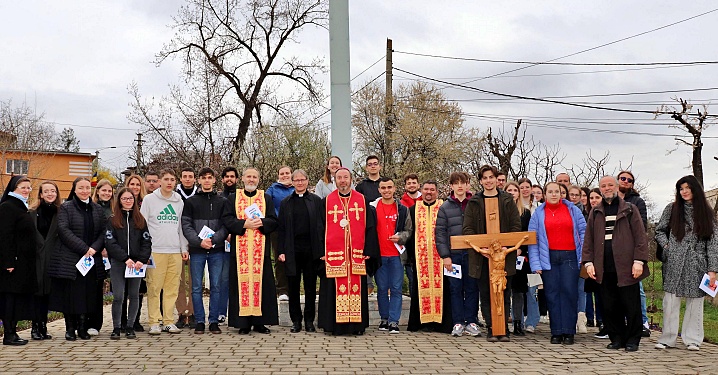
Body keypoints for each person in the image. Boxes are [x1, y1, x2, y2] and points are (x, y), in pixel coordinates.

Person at [583, 175, 649, 352]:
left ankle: (633, 339)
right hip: (604, 267)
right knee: (610, 305)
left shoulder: (630, 209)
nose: (607, 188)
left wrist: (639, 261)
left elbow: (640, 237)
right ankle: (616, 338)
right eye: (603, 186)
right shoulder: (595, 212)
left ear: (616, 186)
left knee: (631, 304)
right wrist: (588, 263)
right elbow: (588, 240)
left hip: (627, 267)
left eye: (610, 185)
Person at [654, 175, 718, 351]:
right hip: (674, 261)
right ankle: (668, 338)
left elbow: (713, 243)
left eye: (688, 188)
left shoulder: (706, 213)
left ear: (695, 189)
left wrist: (712, 269)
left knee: (695, 303)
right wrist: (667, 246)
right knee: (670, 301)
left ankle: (693, 339)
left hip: (697, 263)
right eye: (681, 188)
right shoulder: (672, 209)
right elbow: (659, 231)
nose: (684, 191)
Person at [317, 168, 380, 336]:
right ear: (334, 181)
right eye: (339, 178)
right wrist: (321, 251)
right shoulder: (326, 202)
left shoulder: (362, 200)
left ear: (351, 180)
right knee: (333, 289)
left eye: (346, 177)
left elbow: (371, 227)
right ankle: (334, 325)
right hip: (334, 254)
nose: (343, 181)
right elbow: (319, 228)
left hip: (357, 254)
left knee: (358, 287)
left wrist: (369, 250)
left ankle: (357, 326)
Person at [462, 165, 521, 342]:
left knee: (504, 291)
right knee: (486, 293)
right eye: (485, 178)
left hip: (503, 257)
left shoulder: (507, 200)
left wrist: (504, 247)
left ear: (497, 179)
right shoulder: (474, 202)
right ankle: (491, 327)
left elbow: (515, 226)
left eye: (491, 177)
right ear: (481, 181)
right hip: (483, 257)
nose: (488, 181)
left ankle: (503, 328)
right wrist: (482, 249)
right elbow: (468, 228)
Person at [48, 177, 107, 341]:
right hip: (71, 259)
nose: (84, 191)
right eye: (81, 188)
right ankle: (70, 328)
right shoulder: (66, 208)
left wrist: (94, 248)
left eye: (87, 188)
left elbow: (104, 232)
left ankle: (82, 328)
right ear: (74, 189)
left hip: (91, 260)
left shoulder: (97, 209)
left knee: (87, 294)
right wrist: (84, 248)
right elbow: (64, 230)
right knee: (71, 296)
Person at [528, 182, 586, 345]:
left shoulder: (573, 210)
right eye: (550, 192)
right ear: (545, 194)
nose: (554, 194)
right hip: (548, 257)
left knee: (569, 293)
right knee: (552, 294)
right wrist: (536, 264)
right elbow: (533, 241)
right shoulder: (538, 214)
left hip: (570, 257)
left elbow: (583, 233)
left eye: (557, 192)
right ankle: (556, 331)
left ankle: (568, 331)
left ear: (562, 194)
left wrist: (583, 257)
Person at [222, 167, 279, 334]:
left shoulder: (265, 197)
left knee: (263, 286)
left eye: (255, 177)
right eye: (249, 176)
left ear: (258, 180)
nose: (251, 180)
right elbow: (226, 219)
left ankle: (261, 323)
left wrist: (261, 223)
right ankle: (243, 323)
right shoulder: (233, 198)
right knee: (241, 286)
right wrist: (243, 224)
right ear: (243, 179)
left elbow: (273, 220)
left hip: (261, 253)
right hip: (240, 253)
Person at [181, 167, 230, 334]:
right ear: (199, 181)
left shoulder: (222, 201)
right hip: (197, 250)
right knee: (196, 287)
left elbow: (226, 225)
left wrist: (215, 240)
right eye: (204, 178)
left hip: (217, 250)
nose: (207, 180)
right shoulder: (191, 202)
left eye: (210, 177)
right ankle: (200, 321)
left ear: (214, 180)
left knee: (216, 286)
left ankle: (214, 321)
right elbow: (186, 225)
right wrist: (199, 242)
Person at [141, 169, 188, 335]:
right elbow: (142, 226)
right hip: (155, 251)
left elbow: (181, 228)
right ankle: (154, 321)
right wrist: (144, 251)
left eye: (172, 179)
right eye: (166, 179)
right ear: (160, 181)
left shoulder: (179, 201)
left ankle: (168, 320)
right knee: (154, 287)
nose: (169, 182)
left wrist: (183, 248)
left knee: (172, 288)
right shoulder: (149, 200)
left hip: (174, 251)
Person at [277, 170, 323, 333]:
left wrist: (322, 250)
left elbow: (321, 227)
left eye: (302, 180)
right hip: (292, 249)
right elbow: (281, 229)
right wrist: (281, 250)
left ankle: (310, 321)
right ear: (292, 182)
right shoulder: (286, 202)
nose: (300, 183)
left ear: (307, 181)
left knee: (310, 286)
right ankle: (296, 321)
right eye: (296, 180)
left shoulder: (317, 201)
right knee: (293, 286)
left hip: (311, 250)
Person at [436, 172, 479, 337]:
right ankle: (458, 322)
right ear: (451, 186)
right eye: (456, 183)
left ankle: (472, 321)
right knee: (455, 289)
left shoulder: (474, 204)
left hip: (473, 254)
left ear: (468, 185)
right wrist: (445, 256)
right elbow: (440, 234)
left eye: (463, 183)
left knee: (472, 288)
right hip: (453, 256)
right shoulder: (445, 207)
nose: (460, 186)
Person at [105, 188, 152, 340]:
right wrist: (125, 258)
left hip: (137, 265)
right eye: (124, 198)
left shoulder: (140, 220)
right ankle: (117, 327)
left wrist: (141, 260)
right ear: (119, 201)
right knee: (118, 296)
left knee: (134, 295)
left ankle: (130, 326)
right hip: (120, 263)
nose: (128, 201)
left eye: (130, 198)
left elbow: (146, 242)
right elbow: (110, 242)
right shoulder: (112, 220)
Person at [407, 180, 452, 333]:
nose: (429, 192)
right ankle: (422, 322)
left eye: (432, 190)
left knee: (443, 290)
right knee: (420, 288)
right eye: (426, 189)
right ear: (421, 191)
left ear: (437, 192)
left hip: (441, 258)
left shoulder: (444, 208)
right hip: (421, 259)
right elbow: (409, 232)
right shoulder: (413, 209)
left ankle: (441, 323)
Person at [370, 177, 412, 334]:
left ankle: (394, 321)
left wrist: (401, 237)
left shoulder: (402, 209)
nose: (386, 190)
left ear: (395, 189)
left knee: (396, 288)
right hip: (379, 255)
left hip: (396, 255)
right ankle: (384, 318)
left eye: (389, 187)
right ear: (379, 190)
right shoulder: (373, 208)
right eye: (383, 188)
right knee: (381, 288)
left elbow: (409, 230)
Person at [0, 176, 36, 345]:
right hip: (12, 263)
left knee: (16, 299)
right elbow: (4, 236)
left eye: (29, 188)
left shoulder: (21, 206)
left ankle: (13, 332)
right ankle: (8, 334)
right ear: (14, 188)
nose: (26, 190)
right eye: (23, 187)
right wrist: (8, 261)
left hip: (23, 262)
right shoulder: (8, 207)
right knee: (9, 299)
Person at [616, 170, 650, 337]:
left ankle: (642, 322)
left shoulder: (637, 202)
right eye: (623, 178)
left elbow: (642, 226)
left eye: (629, 180)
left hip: (630, 250)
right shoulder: (609, 201)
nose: (626, 182)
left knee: (638, 287)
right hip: (612, 251)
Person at [29, 181, 60, 341]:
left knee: (47, 294)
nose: (49, 194)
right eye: (46, 191)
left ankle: (43, 326)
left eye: (52, 191)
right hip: (35, 259)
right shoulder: (32, 213)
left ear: (56, 194)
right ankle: (35, 327)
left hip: (52, 259)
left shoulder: (60, 213)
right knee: (37, 294)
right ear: (40, 194)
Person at [504, 181, 531, 337]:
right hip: (503, 256)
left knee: (518, 292)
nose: (512, 192)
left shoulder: (525, 213)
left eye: (515, 190)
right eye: (509, 190)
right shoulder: (500, 212)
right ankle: (504, 323)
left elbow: (528, 235)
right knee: (505, 290)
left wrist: (521, 249)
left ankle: (518, 323)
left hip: (520, 256)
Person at [88, 179, 113, 336]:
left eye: (109, 191)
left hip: (112, 254)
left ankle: (98, 323)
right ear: (97, 191)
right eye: (103, 190)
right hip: (94, 253)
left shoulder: (114, 209)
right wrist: (99, 247)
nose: (106, 193)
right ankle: (88, 323)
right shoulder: (91, 208)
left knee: (104, 289)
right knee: (92, 288)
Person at [355, 155, 382, 295]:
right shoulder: (361, 186)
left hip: (383, 225)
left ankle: (383, 285)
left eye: (375, 164)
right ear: (366, 168)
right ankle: (368, 283)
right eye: (370, 164)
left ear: (379, 166)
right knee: (366, 253)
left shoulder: (384, 183)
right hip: (366, 226)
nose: (373, 166)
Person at [266, 166, 294, 302]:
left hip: (295, 228)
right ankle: (282, 289)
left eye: (287, 173)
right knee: (280, 258)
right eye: (282, 173)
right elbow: (266, 204)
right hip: (277, 229)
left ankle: (294, 287)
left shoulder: (296, 187)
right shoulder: (273, 189)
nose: (285, 175)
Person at [175, 167, 197, 329]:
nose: (188, 179)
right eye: (185, 176)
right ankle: (182, 313)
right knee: (179, 281)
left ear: (195, 179)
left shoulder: (199, 195)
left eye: (190, 176)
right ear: (180, 179)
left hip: (196, 243)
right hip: (176, 243)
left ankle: (194, 313)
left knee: (195, 281)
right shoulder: (175, 197)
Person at [218, 166, 239, 324]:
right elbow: (221, 219)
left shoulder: (242, 196)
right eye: (227, 177)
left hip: (242, 240)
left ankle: (239, 310)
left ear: (237, 179)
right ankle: (221, 312)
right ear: (223, 179)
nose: (229, 179)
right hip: (225, 242)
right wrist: (226, 234)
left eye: (232, 176)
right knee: (224, 278)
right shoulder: (219, 198)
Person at [568, 184, 588, 334]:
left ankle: (581, 320)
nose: (574, 197)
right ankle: (570, 317)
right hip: (567, 254)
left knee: (581, 289)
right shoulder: (564, 211)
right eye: (571, 194)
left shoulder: (586, 212)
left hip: (581, 255)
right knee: (568, 288)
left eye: (577, 195)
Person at [585, 188, 606, 337]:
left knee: (602, 294)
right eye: (591, 198)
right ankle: (593, 319)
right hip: (590, 260)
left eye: (596, 197)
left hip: (604, 260)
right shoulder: (587, 215)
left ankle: (603, 322)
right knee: (592, 291)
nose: (593, 200)